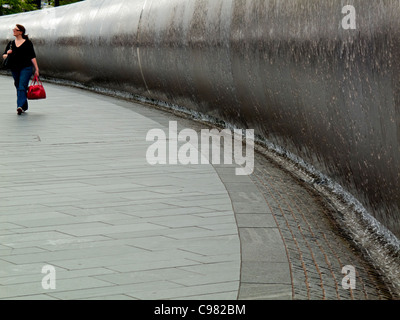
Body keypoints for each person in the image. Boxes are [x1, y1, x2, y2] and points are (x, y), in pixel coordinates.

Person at [2, 24, 40, 115]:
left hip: (26, 67)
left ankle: (19, 106)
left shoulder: (27, 43)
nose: (13, 30)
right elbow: (4, 56)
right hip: (14, 68)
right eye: (13, 29)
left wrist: (37, 69)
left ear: (21, 32)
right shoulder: (11, 43)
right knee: (18, 86)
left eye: (15, 29)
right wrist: (7, 53)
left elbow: (32, 56)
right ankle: (23, 106)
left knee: (22, 85)